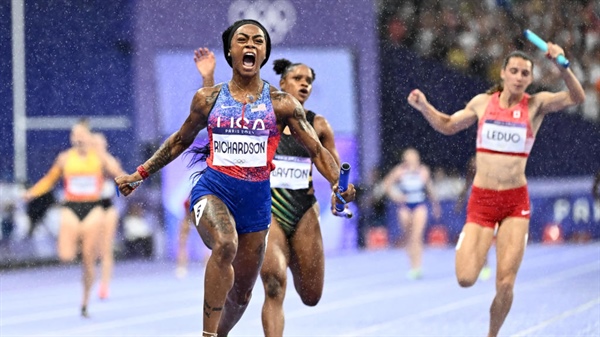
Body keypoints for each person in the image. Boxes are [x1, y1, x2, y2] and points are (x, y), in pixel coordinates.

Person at [115, 20, 355, 337]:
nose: (250, 45)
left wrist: (338, 181)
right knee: (225, 244)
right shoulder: (208, 99)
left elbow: (317, 150)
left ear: (265, 53)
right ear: (231, 50)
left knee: (241, 295)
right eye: (242, 39)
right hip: (213, 190)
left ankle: (220, 333)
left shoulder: (282, 104)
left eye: (258, 40)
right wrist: (140, 173)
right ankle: (207, 334)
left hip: (256, 206)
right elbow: (179, 141)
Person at [407, 44, 585, 337]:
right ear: (503, 74)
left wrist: (562, 66)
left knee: (505, 283)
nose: (518, 77)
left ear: (530, 79)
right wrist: (425, 107)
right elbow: (449, 125)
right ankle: (472, 242)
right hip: (482, 201)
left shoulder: (535, 105)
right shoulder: (482, 103)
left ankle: (492, 334)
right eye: (513, 71)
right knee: (465, 278)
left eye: (524, 73)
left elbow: (577, 97)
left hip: (515, 203)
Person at [196, 49, 350, 336]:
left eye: (309, 80)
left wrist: (338, 188)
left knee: (311, 295)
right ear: (282, 83)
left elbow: (331, 164)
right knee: (274, 284)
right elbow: (215, 114)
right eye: (297, 78)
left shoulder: (318, 125)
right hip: (268, 210)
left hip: (303, 210)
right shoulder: (264, 117)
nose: (305, 84)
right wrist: (208, 78)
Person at [23, 121, 124, 317]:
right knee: (65, 256)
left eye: (82, 134)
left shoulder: (99, 158)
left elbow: (119, 175)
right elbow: (49, 179)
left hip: (93, 207)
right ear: (71, 138)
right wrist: (32, 193)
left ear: (88, 137)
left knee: (88, 260)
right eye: (75, 135)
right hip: (71, 206)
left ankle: (85, 302)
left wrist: (129, 180)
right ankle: (79, 242)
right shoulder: (64, 158)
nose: (78, 138)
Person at [382, 147, 440, 279]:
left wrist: (435, 205)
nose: (411, 160)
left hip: (419, 205)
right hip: (405, 205)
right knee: (408, 236)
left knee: (417, 236)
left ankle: (418, 266)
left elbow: (430, 188)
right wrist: (396, 196)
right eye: (408, 158)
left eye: (413, 157)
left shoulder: (423, 170)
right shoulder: (400, 171)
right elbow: (386, 184)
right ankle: (411, 264)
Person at [92, 132, 126, 300]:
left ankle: (104, 284)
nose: (96, 148)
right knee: (93, 249)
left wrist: (105, 160)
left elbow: (123, 178)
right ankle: (91, 278)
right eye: (94, 145)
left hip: (106, 206)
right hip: (90, 207)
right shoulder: (86, 162)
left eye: (100, 145)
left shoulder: (109, 161)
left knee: (105, 248)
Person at [455, 155, 491, 281]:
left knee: (484, 236)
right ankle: (476, 264)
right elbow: (466, 186)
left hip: (488, 207)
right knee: (473, 238)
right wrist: (459, 203)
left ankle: (485, 265)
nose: (474, 166)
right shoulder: (472, 170)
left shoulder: (491, 171)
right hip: (474, 207)